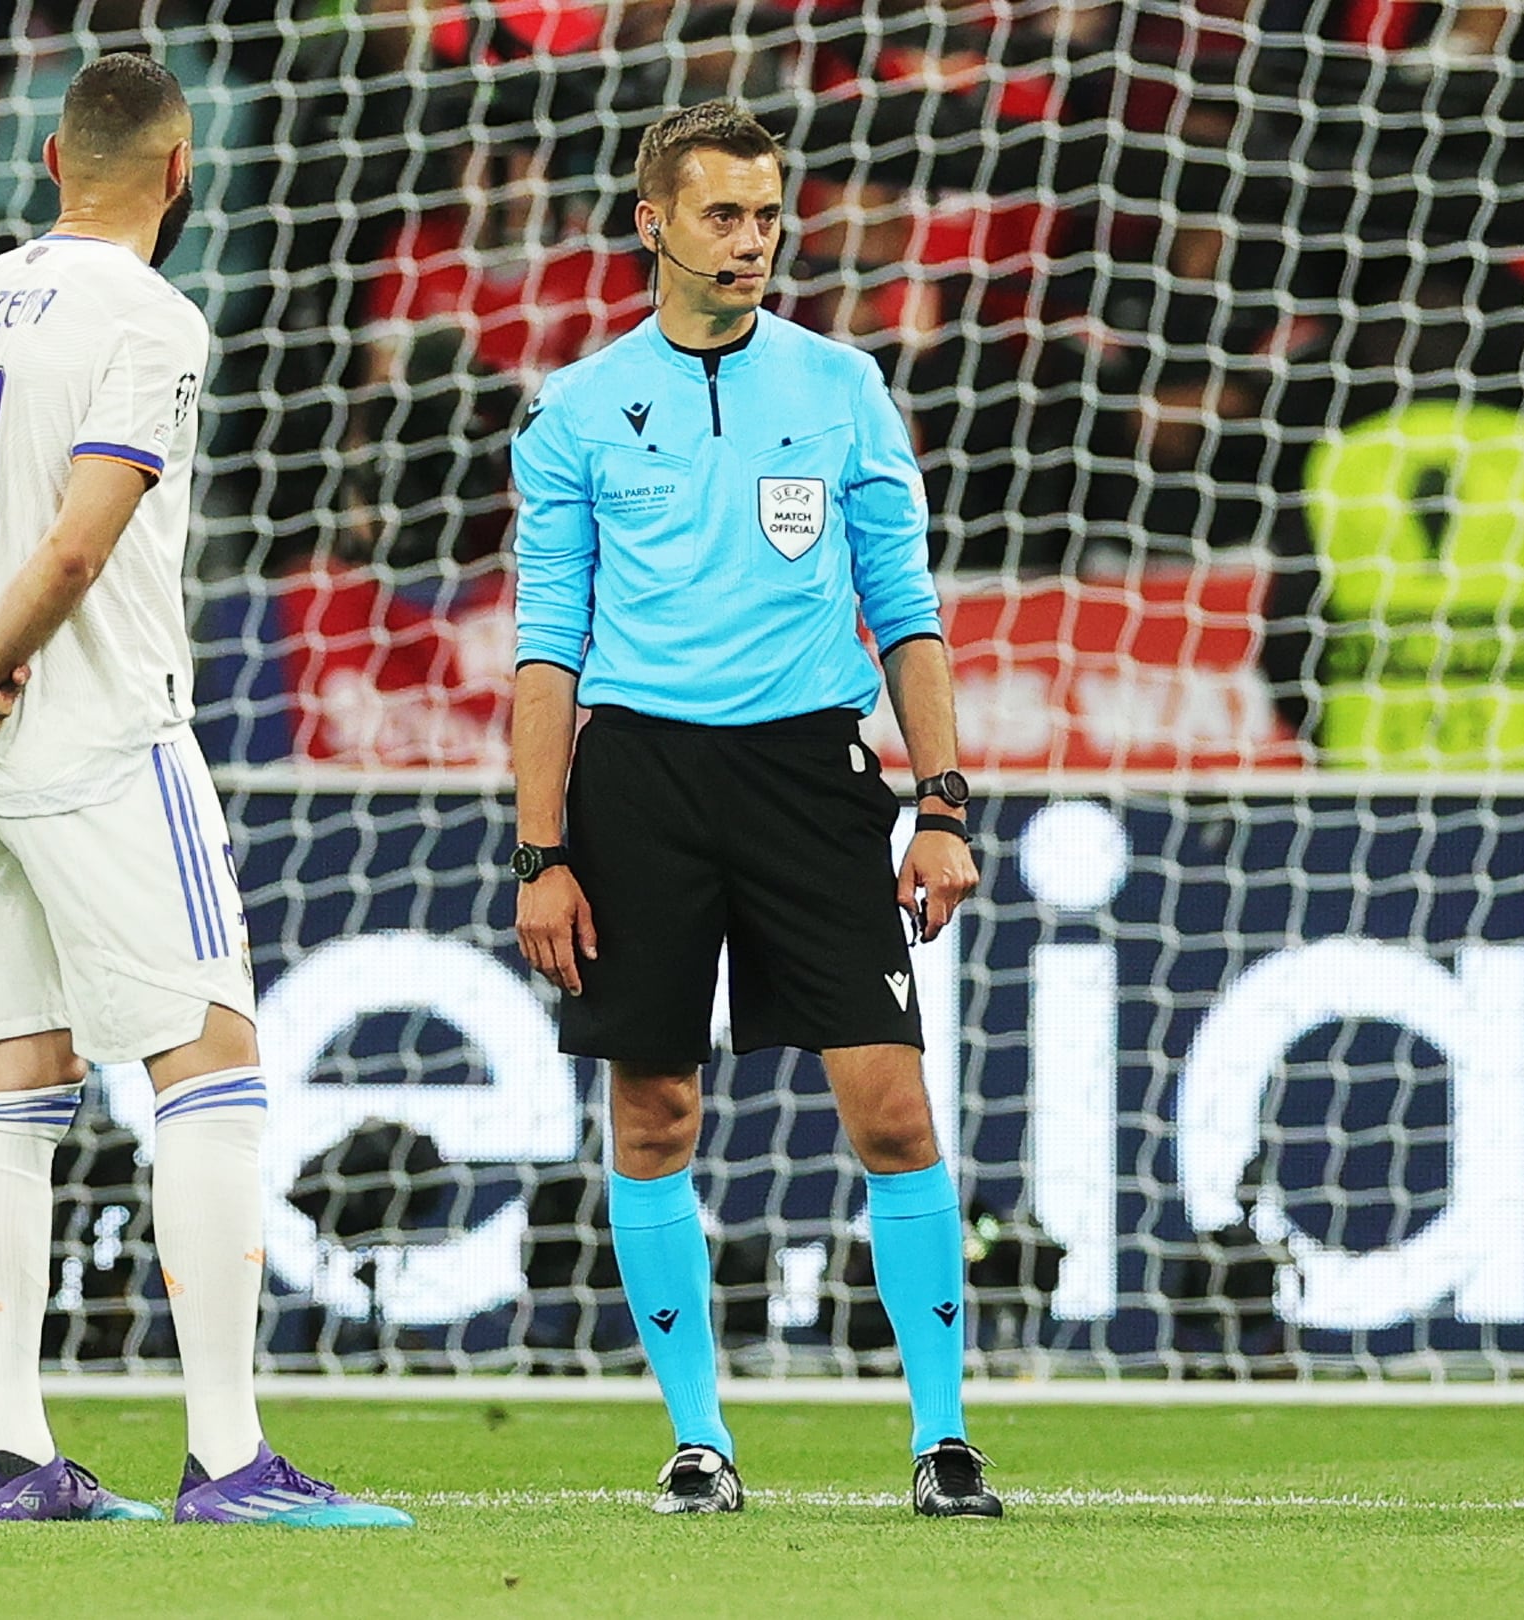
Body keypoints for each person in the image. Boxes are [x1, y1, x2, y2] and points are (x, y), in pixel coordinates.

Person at [0, 53, 409, 1530]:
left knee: (13, 1084)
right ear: (181, 172)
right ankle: (229, 1461)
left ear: (44, 157)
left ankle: (13, 1452)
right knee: (210, 1064)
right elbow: (83, 547)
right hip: (96, 735)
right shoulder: (151, 315)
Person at [508, 100, 999, 1518]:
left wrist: (944, 804)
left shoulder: (843, 387)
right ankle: (698, 1440)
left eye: (769, 216)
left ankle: (944, 1438)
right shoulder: (582, 409)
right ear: (652, 222)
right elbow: (548, 644)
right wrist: (543, 851)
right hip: (640, 780)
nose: (754, 242)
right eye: (723, 215)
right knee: (654, 1115)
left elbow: (904, 611)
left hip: (809, 773)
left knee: (893, 1108)